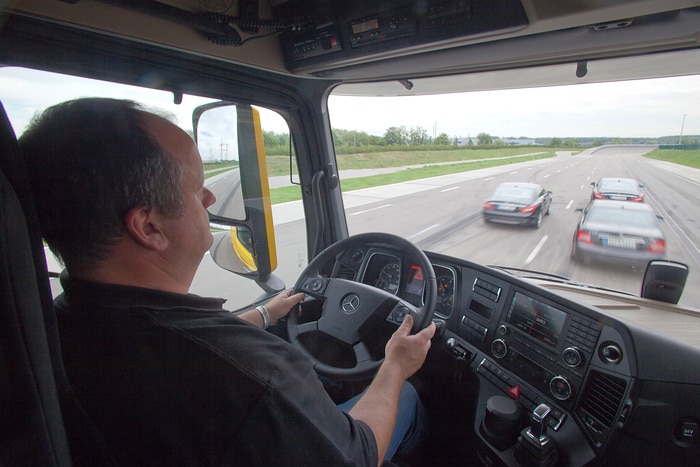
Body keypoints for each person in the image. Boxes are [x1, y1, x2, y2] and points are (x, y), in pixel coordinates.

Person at [19, 97, 437, 465]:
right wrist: (397, 365)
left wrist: (263, 313)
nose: (210, 200)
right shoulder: (254, 378)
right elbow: (358, 454)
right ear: (149, 228)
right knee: (409, 396)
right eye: (197, 188)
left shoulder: (51, 328)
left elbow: (184, 345)